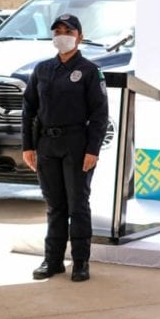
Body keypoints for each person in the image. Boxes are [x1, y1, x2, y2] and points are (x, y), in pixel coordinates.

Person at [22, 14, 109, 282]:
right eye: (57, 31)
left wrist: (92, 149)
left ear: (79, 37)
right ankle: (53, 260)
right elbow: (29, 109)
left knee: (77, 204)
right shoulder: (42, 69)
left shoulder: (90, 71)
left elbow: (99, 114)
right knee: (54, 205)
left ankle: (81, 262)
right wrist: (28, 146)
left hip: (76, 143)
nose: (62, 35)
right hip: (47, 144)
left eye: (68, 31)